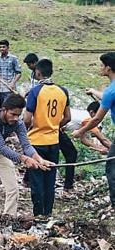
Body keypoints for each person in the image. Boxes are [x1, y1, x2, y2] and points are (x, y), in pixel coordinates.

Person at [24, 59, 71, 216]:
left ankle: (38, 215)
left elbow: (26, 119)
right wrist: (55, 125)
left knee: (36, 182)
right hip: (54, 141)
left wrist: (28, 130)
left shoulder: (35, 92)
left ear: (38, 72)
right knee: (50, 181)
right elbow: (67, 117)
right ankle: (48, 213)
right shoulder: (62, 91)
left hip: (36, 142)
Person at [73, 52, 115, 209]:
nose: (100, 68)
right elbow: (106, 97)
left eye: (102, 65)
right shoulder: (110, 91)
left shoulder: (111, 91)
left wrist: (80, 132)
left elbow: (97, 119)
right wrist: (93, 91)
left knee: (112, 169)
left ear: (108, 68)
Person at [0, 39, 22, 106]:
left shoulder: (13, 58)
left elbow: (19, 73)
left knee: (9, 108)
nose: (2, 49)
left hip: (9, 89)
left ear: (8, 48)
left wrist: (13, 83)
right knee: (2, 108)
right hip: (0, 89)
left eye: (3, 47)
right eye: (0, 47)